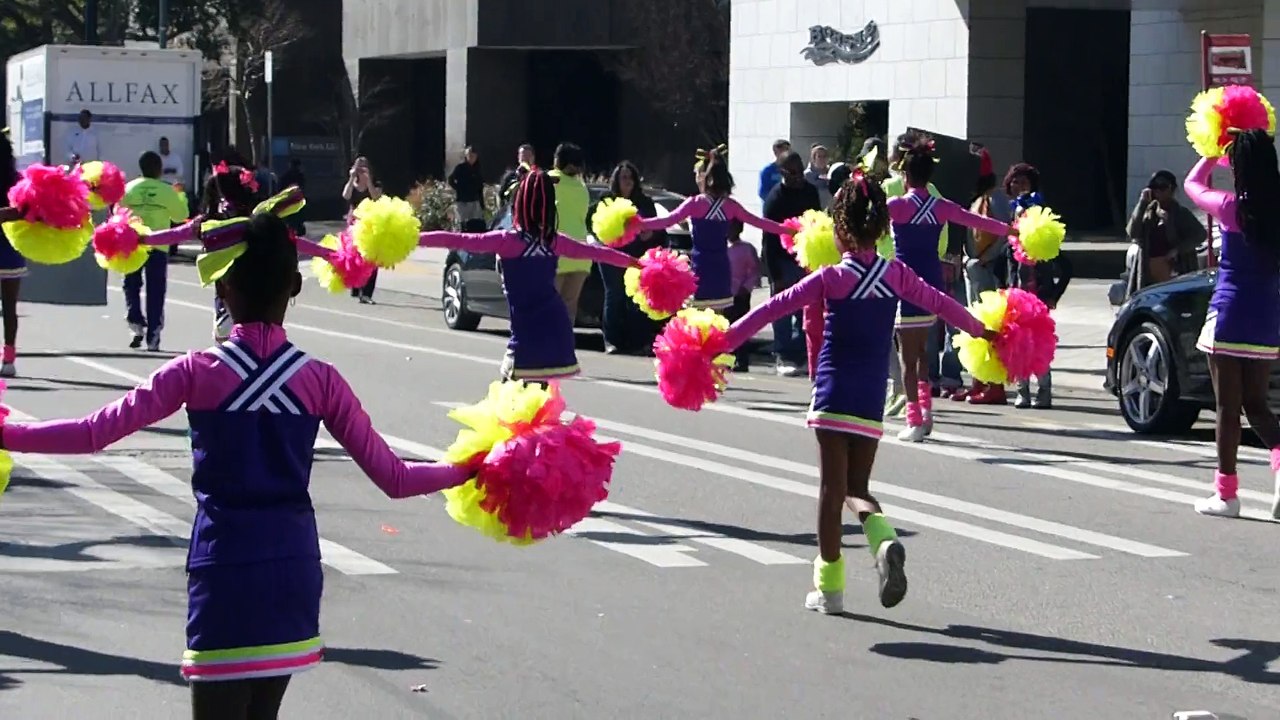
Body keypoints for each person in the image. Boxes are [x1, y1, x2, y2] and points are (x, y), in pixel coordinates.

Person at [0, 209, 477, 720]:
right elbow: (397, 478)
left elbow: (92, 432)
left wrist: (9, 433)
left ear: (223, 289)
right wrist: (472, 467)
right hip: (293, 570)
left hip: (223, 569)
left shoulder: (194, 372)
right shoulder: (321, 380)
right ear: (295, 286)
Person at [717, 169, 998, 614]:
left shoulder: (830, 279)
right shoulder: (898, 275)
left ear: (840, 230)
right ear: (883, 227)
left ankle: (829, 589)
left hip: (833, 391)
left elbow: (773, 308)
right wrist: (984, 330)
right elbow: (944, 303)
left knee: (831, 492)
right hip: (870, 397)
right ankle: (883, 540)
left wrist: (722, 340)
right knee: (858, 487)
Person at [417, 170, 638, 382]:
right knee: (536, 404)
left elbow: (456, 240)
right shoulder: (553, 242)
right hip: (557, 329)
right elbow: (598, 252)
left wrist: (414, 238)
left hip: (525, 338)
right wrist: (636, 264)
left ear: (519, 203)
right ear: (550, 206)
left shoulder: (507, 241)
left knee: (510, 406)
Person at [889, 134, 1016, 442]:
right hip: (932, 284)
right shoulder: (941, 206)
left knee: (910, 358)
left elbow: (864, 226)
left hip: (906, 286)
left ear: (904, 175)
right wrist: (1013, 230)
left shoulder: (895, 206)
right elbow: (978, 221)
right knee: (923, 354)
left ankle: (916, 420)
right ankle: (926, 416)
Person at [1184, 129, 1280, 520]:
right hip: (1268, 317)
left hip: (1230, 312)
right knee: (1258, 406)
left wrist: (1211, 149)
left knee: (1227, 407)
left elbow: (1192, 183)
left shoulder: (1229, 207)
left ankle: (1226, 494)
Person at [633, 149, 795, 315]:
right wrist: (787, 230)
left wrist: (639, 224)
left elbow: (667, 221)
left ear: (706, 179)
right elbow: (760, 222)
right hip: (721, 268)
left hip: (700, 266)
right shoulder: (731, 206)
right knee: (718, 319)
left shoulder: (695, 203)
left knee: (697, 318)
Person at [1002, 162, 1071, 409]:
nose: (1019, 187)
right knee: (1018, 342)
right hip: (1018, 292)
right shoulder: (1013, 214)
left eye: (1023, 182)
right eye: (1015, 183)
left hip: (1039, 293)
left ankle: (1044, 391)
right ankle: (1023, 391)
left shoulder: (1041, 217)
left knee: (1039, 343)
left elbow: (1065, 265)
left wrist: (1054, 294)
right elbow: (1008, 257)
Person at [120, 151, 190, 351]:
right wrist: (180, 195)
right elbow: (181, 215)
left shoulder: (129, 188)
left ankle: (135, 324)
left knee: (131, 285)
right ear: (159, 170)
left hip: (132, 244)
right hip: (158, 246)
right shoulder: (167, 190)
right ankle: (153, 335)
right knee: (156, 291)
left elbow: (117, 213)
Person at [762, 150, 822, 376]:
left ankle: (800, 354)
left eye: (800, 171)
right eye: (792, 172)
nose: (798, 176)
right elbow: (768, 239)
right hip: (782, 261)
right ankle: (783, 355)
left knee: (806, 311)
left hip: (806, 259)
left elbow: (817, 222)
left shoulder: (811, 192)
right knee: (781, 311)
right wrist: (773, 274)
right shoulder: (775, 198)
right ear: (782, 172)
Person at [598, 161, 663, 354]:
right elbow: (594, 226)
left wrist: (650, 234)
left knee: (637, 298)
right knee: (614, 295)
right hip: (612, 255)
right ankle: (612, 341)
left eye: (630, 178)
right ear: (616, 180)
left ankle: (638, 341)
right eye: (623, 177)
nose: (627, 182)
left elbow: (658, 229)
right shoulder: (606, 200)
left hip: (637, 256)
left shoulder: (645, 203)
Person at [201, 161, 260, 342]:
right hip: (250, 296)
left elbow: (172, 235)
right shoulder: (259, 221)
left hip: (228, 297)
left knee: (225, 341)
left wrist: (141, 239)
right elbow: (295, 242)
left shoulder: (209, 224)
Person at [1125, 169, 1206, 294]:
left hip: (1174, 269)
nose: (1158, 191)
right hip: (1147, 269)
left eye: (1162, 187)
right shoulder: (1148, 213)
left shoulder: (1180, 213)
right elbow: (1133, 233)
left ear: (1172, 190)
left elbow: (1200, 235)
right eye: (1154, 187)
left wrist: (1178, 250)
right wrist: (1142, 204)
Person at [549, 143, 593, 323]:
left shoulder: (549, 180)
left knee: (548, 307)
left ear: (558, 160)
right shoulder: (581, 187)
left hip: (555, 253)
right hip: (581, 254)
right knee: (568, 310)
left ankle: (546, 348)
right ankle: (564, 347)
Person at [342, 157, 382, 303]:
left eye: (364, 166)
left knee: (371, 258)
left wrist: (369, 180)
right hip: (354, 222)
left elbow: (376, 197)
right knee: (354, 256)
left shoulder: (375, 182)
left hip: (370, 222)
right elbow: (345, 195)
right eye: (359, 166)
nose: (361, 169)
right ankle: (356, 286)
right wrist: (352, 177)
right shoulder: (352, 182)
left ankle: (367, 293)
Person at [0, 133, 24, 378]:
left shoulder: (16, 180)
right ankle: (9, 359)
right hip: (10, 248)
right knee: (9, 308)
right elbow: (26, 211)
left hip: (8, 247)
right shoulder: (16, 180)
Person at [724, 219, 761, 372]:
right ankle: (726, 358)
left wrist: (746, 288)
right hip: (724, 295)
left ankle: (742, 359)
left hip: (740, 295)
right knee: (724, 328)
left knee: (741, 327)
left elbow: (754, 271)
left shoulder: (747, 249)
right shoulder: (721, 248)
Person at [448, 146, 487, 233]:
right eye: (469, 155)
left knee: (475, 222)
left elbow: (480, 186)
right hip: (462, 200)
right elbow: (450, 180)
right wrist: (458, 188)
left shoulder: (477, 169)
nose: (471, 157)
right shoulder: (460, 168)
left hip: (474, 200)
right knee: (463, 222)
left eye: (473, 155)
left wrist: (482, 203)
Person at [805, 144, 832, 208]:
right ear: (814, 158)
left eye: (824, 156)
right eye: (819, 156)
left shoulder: (832, 173)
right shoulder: (807, 175)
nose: (822, 159)